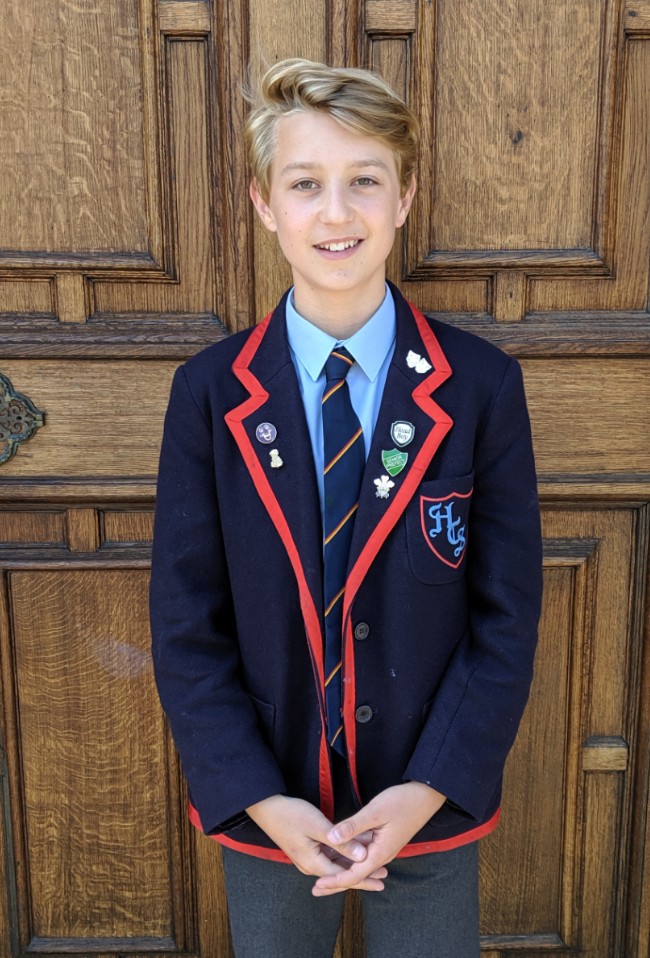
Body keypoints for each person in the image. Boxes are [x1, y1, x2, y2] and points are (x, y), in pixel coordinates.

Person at [150, 58, 543, 958]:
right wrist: (257, 796)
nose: (336, 213)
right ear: (264, 204)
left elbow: (506, 615)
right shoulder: (210, 394)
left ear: (405, 197)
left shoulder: (479, 387)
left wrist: (430, 788)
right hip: (272, 800)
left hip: (428, 796)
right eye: (305, 184)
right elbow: (185, 622)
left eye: (365, 180)